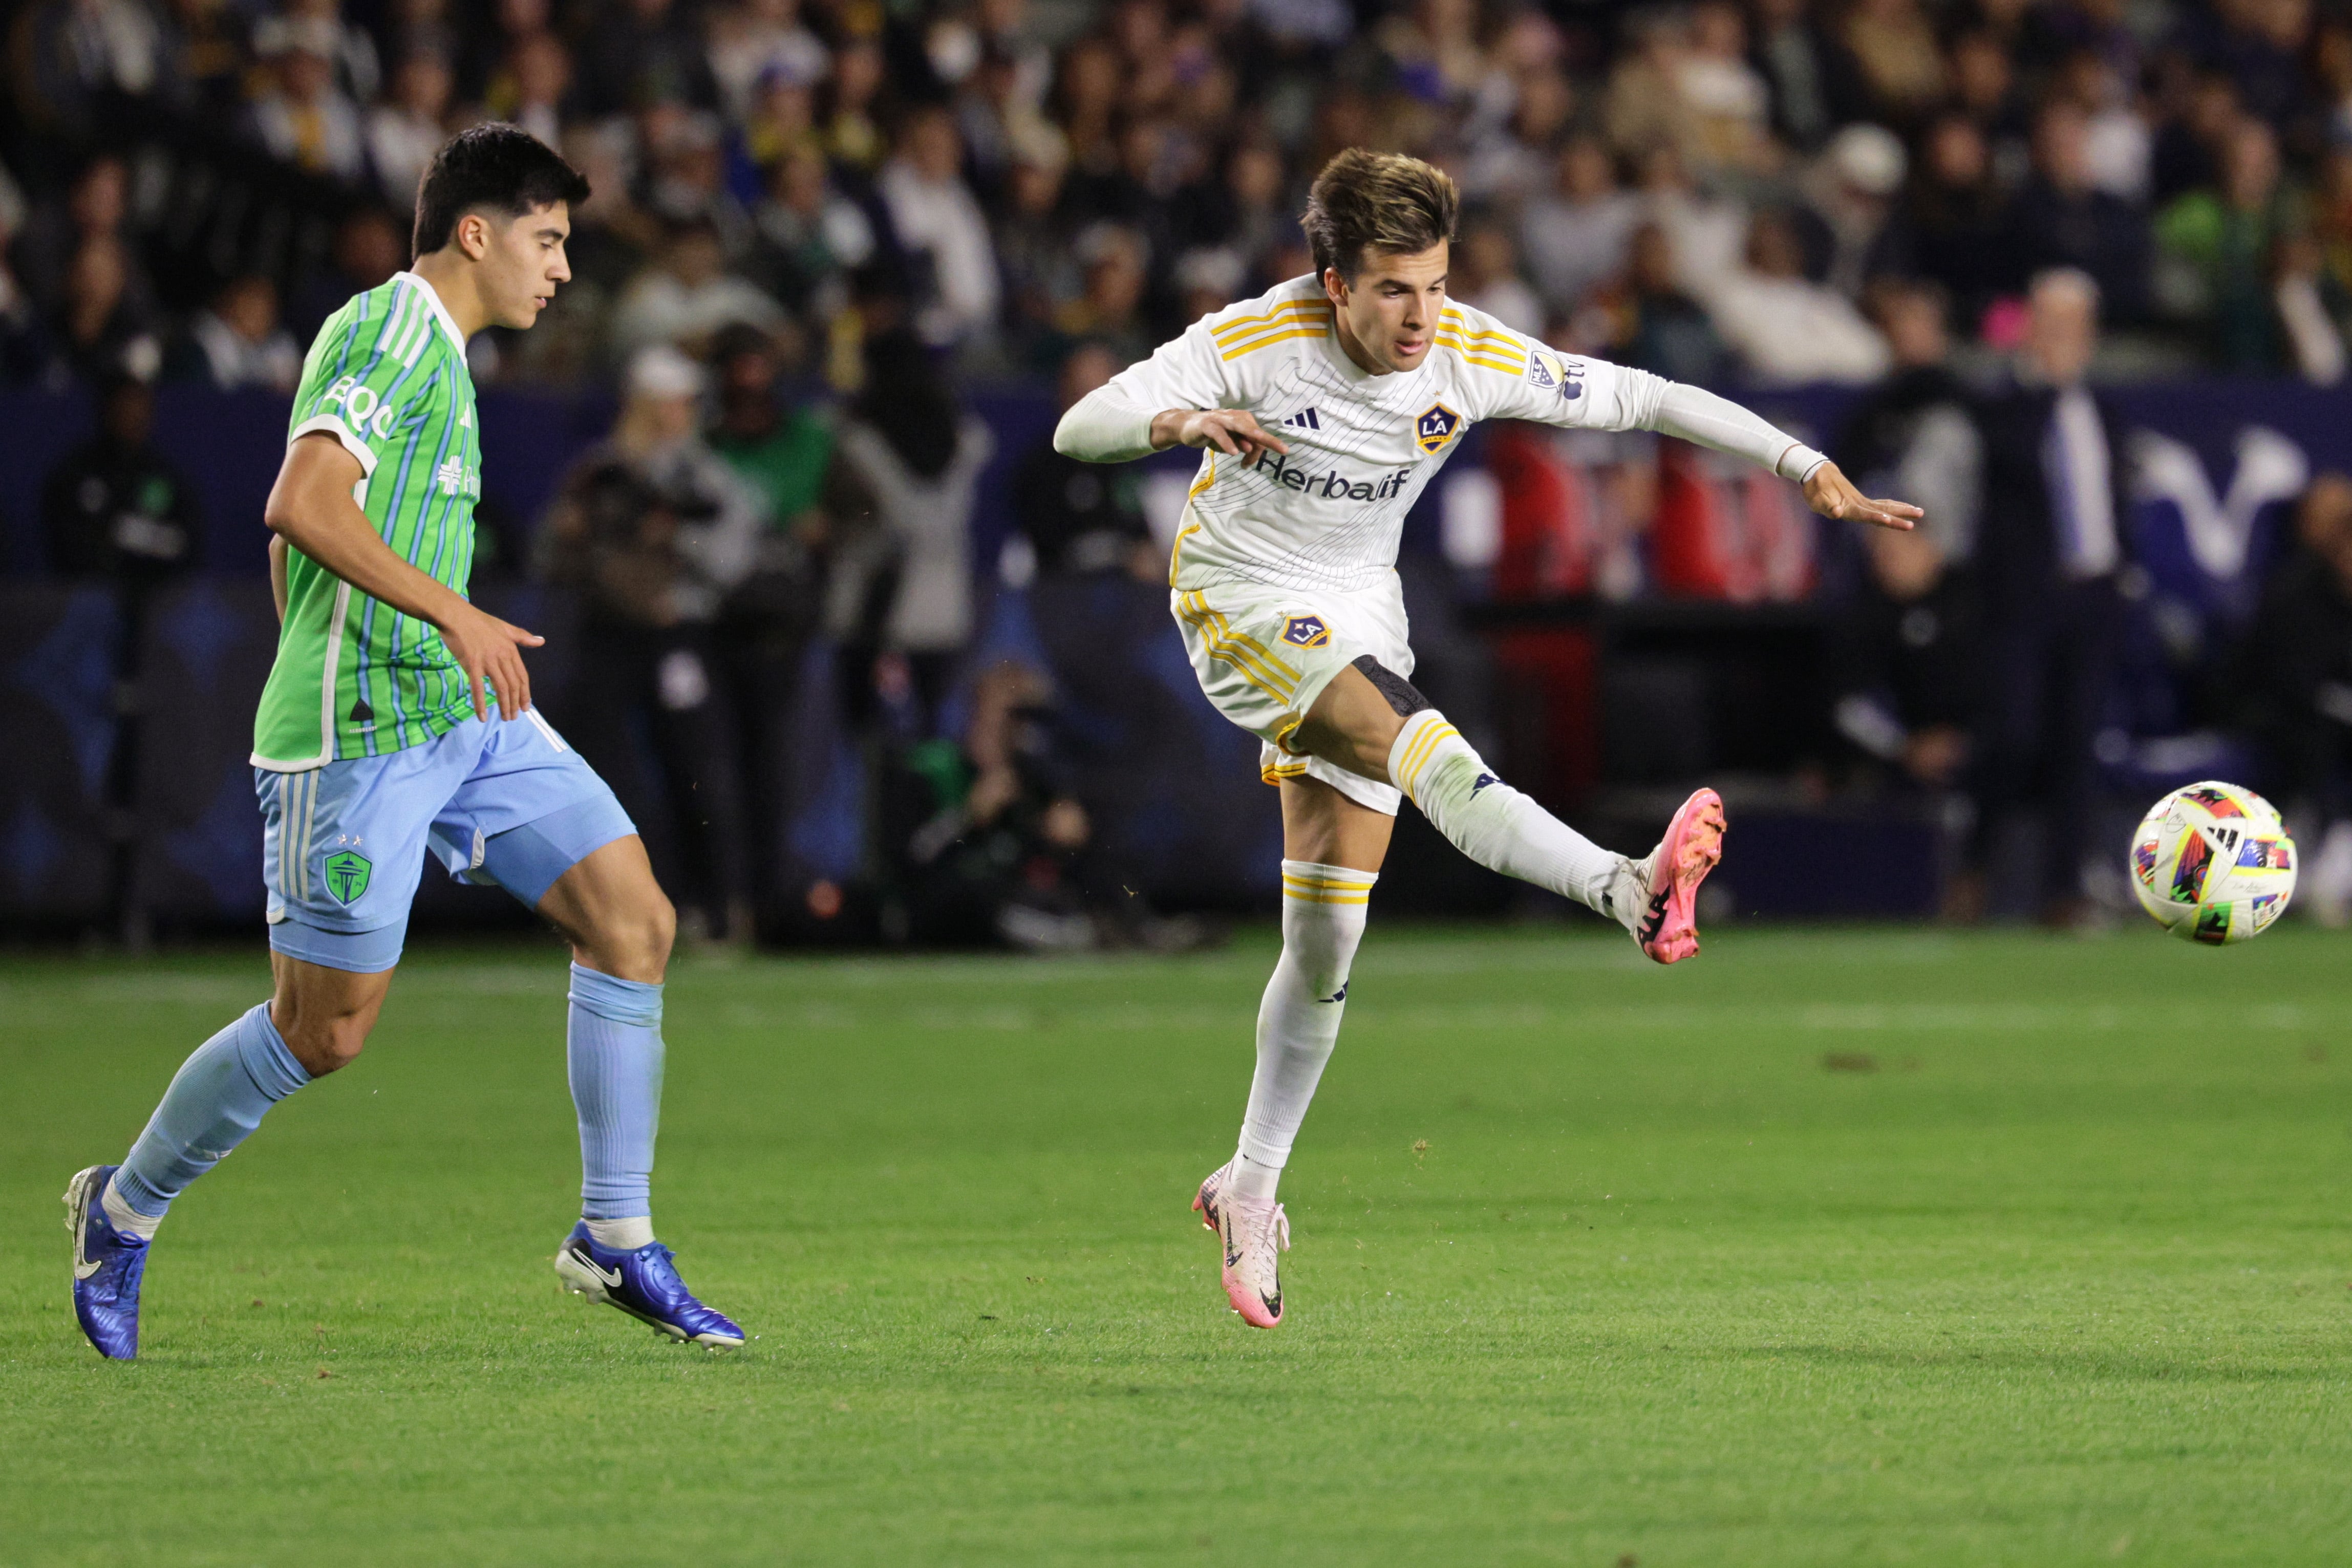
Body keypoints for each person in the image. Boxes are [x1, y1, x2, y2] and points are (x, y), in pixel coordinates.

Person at [1052, 148, 1920, 1329]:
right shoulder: (1252, 339)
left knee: (1324, 938)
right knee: (1431, 748)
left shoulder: (1469, 347)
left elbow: (1646, 395)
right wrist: (1177, 417)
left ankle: (1247, 1186)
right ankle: (1623, 887)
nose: (1421, 316)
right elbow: (1076, 429)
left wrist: (1803, 463)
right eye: (1393, 290)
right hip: (1242, 597)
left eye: (1434, 283)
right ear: (1331, 281)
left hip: (1360, 606)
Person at [63, 125, 744, 1361]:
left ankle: (614, 1231)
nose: (564, 270)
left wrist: (377, 631)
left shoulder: (442, 355)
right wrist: (430, 618)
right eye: (549, 240)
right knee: (323, 1032)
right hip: (366, 730)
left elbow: (298, 537)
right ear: (476, 234)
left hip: (461, 710)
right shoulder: (392, 330)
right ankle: (122, 1211)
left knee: (634, 920)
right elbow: (298, 501)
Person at [1971, 268, 2129, 926]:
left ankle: (2065, 891)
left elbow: (2114, 503)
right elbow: (2005, 458)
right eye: (2052, 325)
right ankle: (1976, 865)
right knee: (2012, 736)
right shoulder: (2007, 406)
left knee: (2076, 745)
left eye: (2076, 327)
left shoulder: (2105, 410)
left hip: (2092, 598)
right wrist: (2042, 384)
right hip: (2026, 603)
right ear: (2031, 330)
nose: (2065, 340)